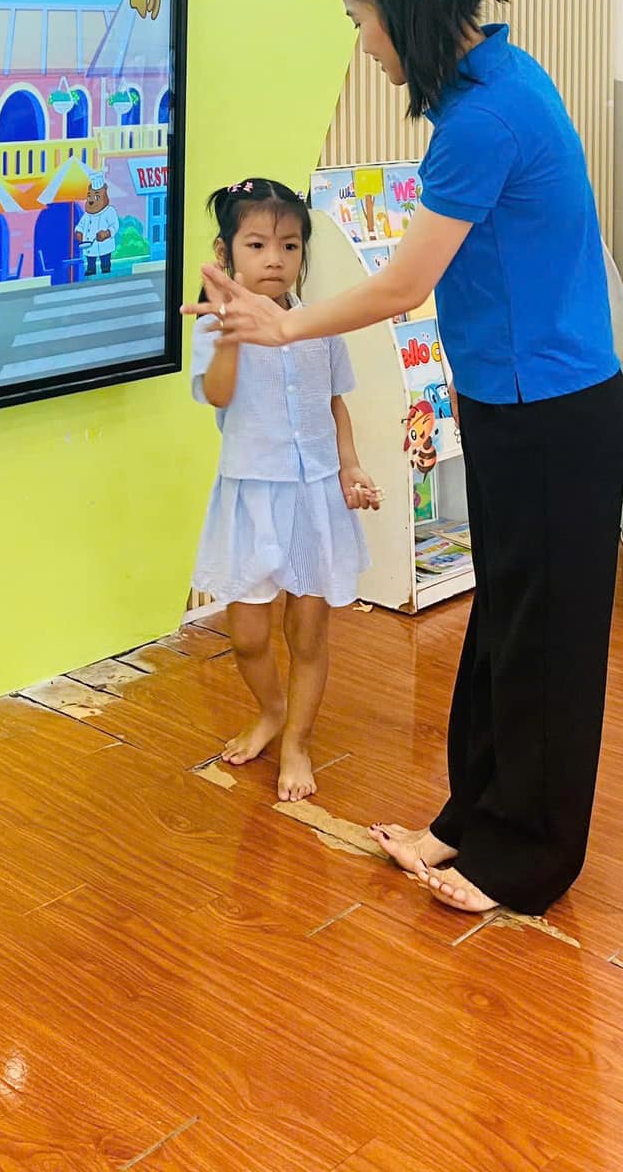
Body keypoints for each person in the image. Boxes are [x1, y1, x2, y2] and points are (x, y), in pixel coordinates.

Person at [184, 0, 623, 917]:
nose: (365, 42)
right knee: (504, 626)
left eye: (363, 18)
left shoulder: (488, 117)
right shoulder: (487, 89)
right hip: (513, 400)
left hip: (554, 411)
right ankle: (470, 819)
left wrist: (281, 324)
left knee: (546, 644)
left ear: (405, 8)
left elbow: (401, 286)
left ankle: (526, 863)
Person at [189, 178, 381, 804]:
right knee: (247, 636)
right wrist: (228, 334)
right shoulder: (214, 325)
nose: (275, 259)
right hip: (251, 496)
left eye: (290, 245)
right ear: (225, 253)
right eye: (257, 245)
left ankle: (297, 740)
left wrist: (350, 467)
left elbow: (335, 404)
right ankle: (271, 711)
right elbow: (217, 395)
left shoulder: (320, 325)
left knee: (308, 634)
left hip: (315, 496)